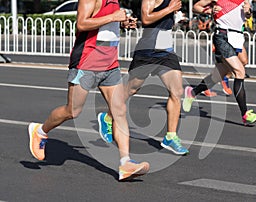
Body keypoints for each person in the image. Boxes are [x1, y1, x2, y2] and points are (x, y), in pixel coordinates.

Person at [28, 0, 149, 181]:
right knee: (73, 111)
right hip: (86, 62)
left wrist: (122, 23)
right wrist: (114, 17)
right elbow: (82, 23)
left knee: (120, 111)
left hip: (110, 64)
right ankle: (40, 131)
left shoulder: (115, 1)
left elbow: (106, 27)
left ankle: (126, 163)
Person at [98, 0, 189, 155]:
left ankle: (171, 136)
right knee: (130, 89)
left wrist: (175, 16)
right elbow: (146, 19)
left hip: (166, 52)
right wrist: (170, 9)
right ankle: (107, 117)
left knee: (177, 92)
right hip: (147, 51)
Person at [183, 0, 256, 126]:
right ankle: (245, 114)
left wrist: (248, 12)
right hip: (223, 36)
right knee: (240, 71)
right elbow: (195, 7)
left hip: (237, 36)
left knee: (218, 75)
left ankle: (192, 93)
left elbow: (246, 16)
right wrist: (209, 11)